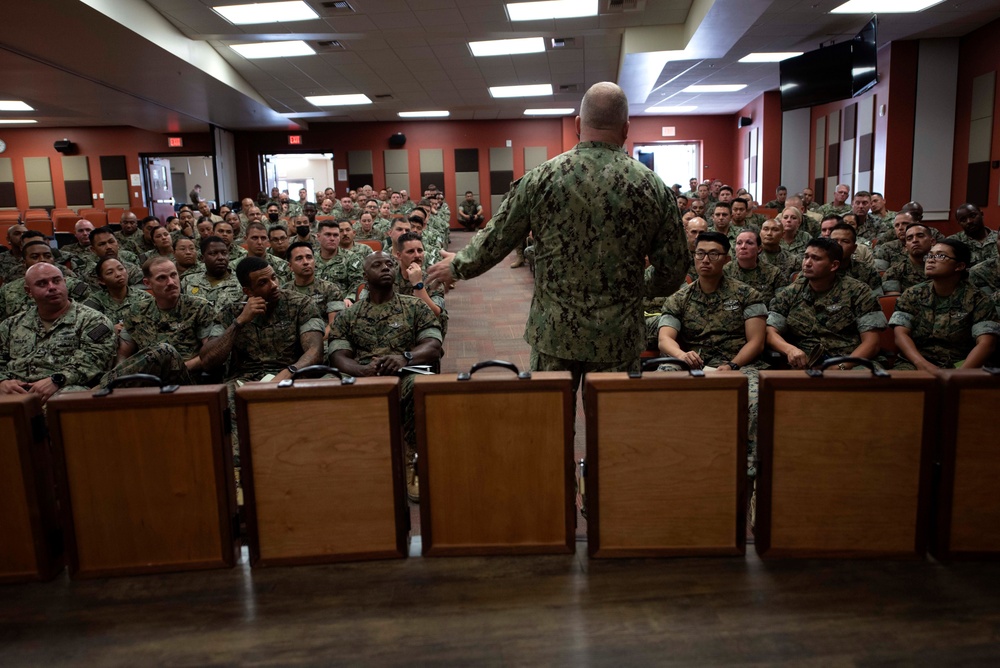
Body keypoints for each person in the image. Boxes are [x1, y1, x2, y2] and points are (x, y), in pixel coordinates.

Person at [427, 82, 686, 393]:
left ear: (578, 124)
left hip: (554, 332)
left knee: (550, 426)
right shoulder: (653, 187)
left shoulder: (542, 177)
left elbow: (498, 236)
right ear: (626, 128)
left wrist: (459, 265)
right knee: (612, 430)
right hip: (619, 336)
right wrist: (633, 287)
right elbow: (672, 271)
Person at [328, 252, 444, 503]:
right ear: (364, 275)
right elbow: (337, 353)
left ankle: (413, 458)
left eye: (390, 264)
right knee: (328, 389)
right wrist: (359, 370)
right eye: (377, 265)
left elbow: (433, 344)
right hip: (364, 376)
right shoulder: (350, 315)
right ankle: (348, 464)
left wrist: (405, 358)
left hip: (404, 375)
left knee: (418, 386)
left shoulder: (414, 307)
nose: (386, 268)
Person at [657, 231, 767, 479]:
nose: (705, 259)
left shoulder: (747, 295)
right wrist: (682, 355)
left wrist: (732, 364)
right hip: (691, 361)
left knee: (755, 396)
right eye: (700, 254)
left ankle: (749, 464)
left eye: (713, 254)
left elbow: (757, 342)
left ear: (727, 259)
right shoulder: (679, 298)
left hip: (738, 363)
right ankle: (665, 453)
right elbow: (665, 339)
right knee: (659, 383)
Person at [0, 263, 115, 401]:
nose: (52, 287)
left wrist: (57, 380)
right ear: (28, 291)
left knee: (71, 396)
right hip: (16, 389)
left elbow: (94, 360)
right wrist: (3, 382)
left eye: (56, 281)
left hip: (64, 387)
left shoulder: (93, 321)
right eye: (42, 284)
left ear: (65, 283)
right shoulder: (11, 325)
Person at [767, 237, 887, 369]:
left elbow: (872, 343)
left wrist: (841, 366)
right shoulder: (791, 292)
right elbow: (770, 332)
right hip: (805, 364)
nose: (807, 263)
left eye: (816, 258)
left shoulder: (859, 292)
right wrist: (789, 350)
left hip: (851, 362)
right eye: (806, 257)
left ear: (834, 265)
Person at [105, 256, 220, 385]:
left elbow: (211, 353)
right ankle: (110, 386)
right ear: (148, 283)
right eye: (162, 278)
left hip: (186, 376)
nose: (171, 282)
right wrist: (124, 374)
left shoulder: (199, 307)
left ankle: (104, 387)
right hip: (148, 379)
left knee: (164, 350)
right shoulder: (137, 310)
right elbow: (123, 354)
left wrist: (182, 368)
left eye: (173, 275)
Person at [890, 240, 999, 371]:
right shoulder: (912, 294)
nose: (930, 260)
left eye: (940, 256)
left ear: (959, 265)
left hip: (962, 364)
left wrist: (957, 375)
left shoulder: (978, 299)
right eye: (930, 255)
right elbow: (901, 334)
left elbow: (986, 343)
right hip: (915, 362)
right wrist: (922, 364)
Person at [0, 239, 90, 322]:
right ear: (24, 263)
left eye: (47, 256)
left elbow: (87, 316)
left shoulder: (75, 286)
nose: (42, 260)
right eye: (35, 257)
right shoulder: (8, 289)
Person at [284, 241, 346, 338]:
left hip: (323, 340)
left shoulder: (330, 288)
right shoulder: (285, 291)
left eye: (309, 257)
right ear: (290, 266)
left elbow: (334, 325)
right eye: (299, 258)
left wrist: (314, 344)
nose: (305, 262)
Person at [81, 256, 153, 326]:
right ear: (102, 280)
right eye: (110, 272)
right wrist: (112, 330)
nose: (118, 274)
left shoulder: (144, 297)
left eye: (121, 269)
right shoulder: (94, 303)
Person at [724, 229, 787, 303]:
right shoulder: (725, 271)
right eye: (739, 243)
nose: (743, 246)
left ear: (759, 249)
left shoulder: (773, 273)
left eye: (749, 243)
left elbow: (782, 302)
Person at [180, 236, 244, 306]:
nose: (221, 257)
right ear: (202, 258)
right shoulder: (188, 281)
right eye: (214, 253)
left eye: (224, 253)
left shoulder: (241, 282)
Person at [830, 223, 883, 296]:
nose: (838, 245)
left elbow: (877, 300)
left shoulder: (867, 271)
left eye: (845, 241)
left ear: (854, 248)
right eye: (834, 241)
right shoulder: (819, 269)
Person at [883, 223, 935, 295]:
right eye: (909, 238)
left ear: (932, 242)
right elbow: (894, 302)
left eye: (920, 236)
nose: (915, 240)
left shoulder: (944, 267)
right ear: (906, 247)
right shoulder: (894, 272)